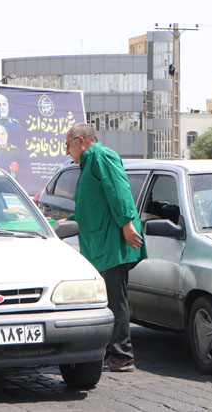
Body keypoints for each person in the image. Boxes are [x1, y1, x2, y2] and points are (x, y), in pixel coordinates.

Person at [64, 122, 146, 373]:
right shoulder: (89, 162)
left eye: (67, 146)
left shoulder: (101, 155)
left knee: (115, 302)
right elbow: (92, 204)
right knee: (108, 300)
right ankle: (112, 352)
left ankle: (122, 355)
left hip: (112, 244)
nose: (67, 152)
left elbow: (119, 190)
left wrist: (126, 224)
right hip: (100, 245)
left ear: (80, 141)